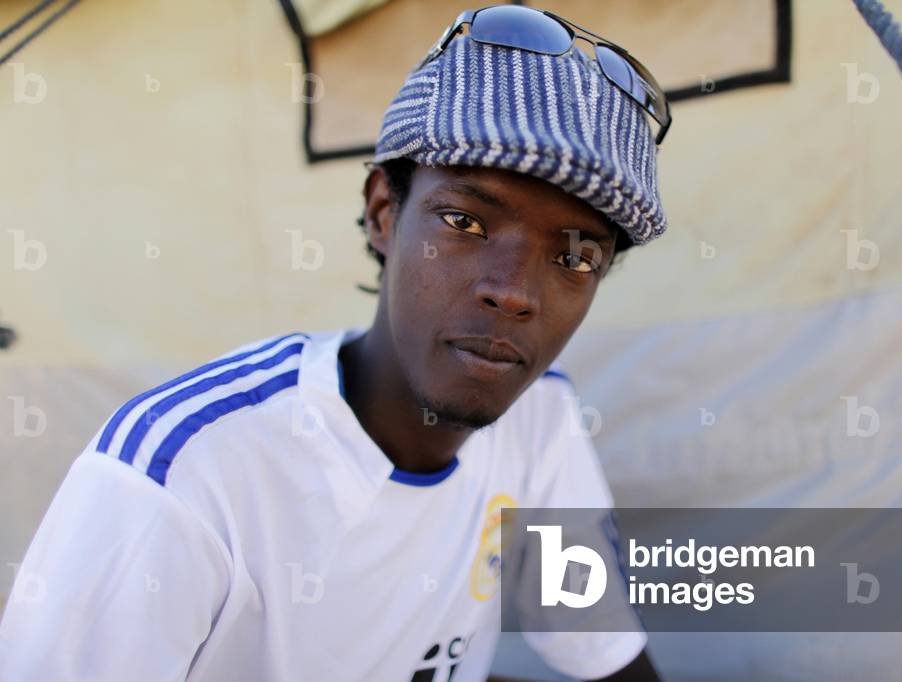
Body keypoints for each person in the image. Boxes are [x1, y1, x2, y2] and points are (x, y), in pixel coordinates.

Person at [0, 5, 670, 680]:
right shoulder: (183, 473)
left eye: (576, 257)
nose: (515, 292)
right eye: (464, 222)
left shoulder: (541, 419)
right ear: (383, 212)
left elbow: (605, 654)